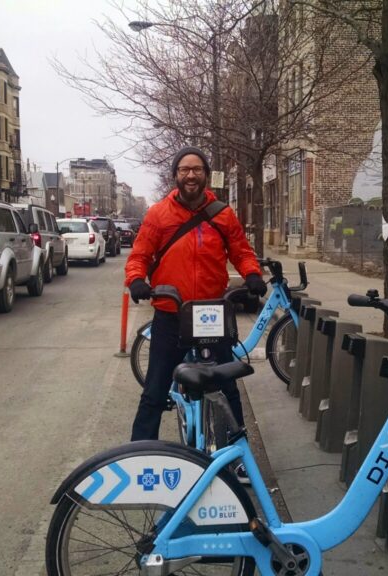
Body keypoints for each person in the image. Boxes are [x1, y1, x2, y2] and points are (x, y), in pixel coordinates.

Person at [125, 146, 265, 457]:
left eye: (197, 169)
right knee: (154, 389)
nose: (191, 175)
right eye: (185, 170)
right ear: (175, 175)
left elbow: (241, 252)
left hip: (212, 313)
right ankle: (138, 455)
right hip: (171, 312)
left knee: (228, 386)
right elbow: (140, 255)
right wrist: (136, 279)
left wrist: (252, 274)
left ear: (205, 176)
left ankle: (238, 456)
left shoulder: (223, 214)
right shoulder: (159, 214)